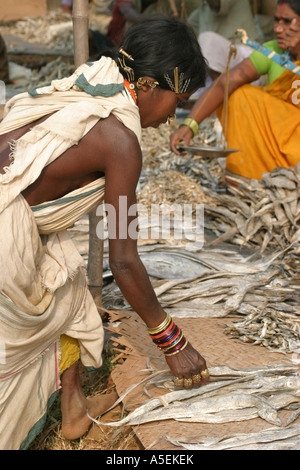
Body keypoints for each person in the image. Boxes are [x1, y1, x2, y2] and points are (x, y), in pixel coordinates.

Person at [0, 16, 209, 450]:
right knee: (35, 323)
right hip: (6, 225)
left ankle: (74, 407)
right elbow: (124, 258)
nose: (172, 117)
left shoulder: (93, 80)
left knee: (69, 287)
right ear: (149, 85)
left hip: (13, 214)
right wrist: (171, 340)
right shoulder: (121, 143)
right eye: (177, 101)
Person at [170, 0, 300, 181]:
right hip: (276, 141)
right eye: (276, 20)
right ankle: (248, 176)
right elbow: (225, 84)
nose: (278, 29)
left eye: (286, 21)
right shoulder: (272, 51)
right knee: (239, 94)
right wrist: (190, 125)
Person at [188, 0, 261, 42]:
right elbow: (189, 23)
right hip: (220, 51)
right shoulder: (204, 7)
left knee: (206, 38)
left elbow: (216, 3)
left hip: (241, 46)